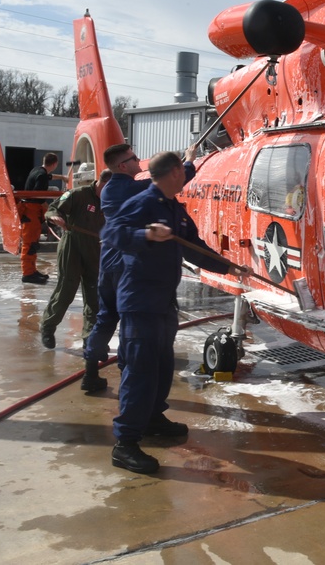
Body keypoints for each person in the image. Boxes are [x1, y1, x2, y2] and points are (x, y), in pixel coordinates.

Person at [102, 150, 249, 474]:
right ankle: (125, 444)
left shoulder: (174, 209)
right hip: (140, 303)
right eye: (182, 171)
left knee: (162, 367)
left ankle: (153, 418)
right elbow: (111, 234)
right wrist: (146, 235)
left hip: (164, 303)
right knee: (140, 372)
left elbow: (194, 247)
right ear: (172, 175)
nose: (187, 173)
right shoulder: (143, 203)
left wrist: (229, 267)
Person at [81, 143, 196, 371]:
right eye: (134, 158)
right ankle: (127, 367)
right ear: (123, 165)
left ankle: (91, 366)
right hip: (123, 264)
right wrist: (189, 161)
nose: (138, 160)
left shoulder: (109, 189)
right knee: (129, 320)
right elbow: (165, 184)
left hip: (107, 263)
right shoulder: (129, 189)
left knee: (106, 316)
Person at [39, 170, 112, 386]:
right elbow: (52, 209)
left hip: (95, 250)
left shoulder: (111, 200)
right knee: (66, 291)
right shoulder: (78, 194)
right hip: (72, 244)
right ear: (101, 183)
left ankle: (91, 342)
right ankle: (48, 326)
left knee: (95, 298)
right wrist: (54, 217)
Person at [18, 152, 61, 284]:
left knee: (33, 244)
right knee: (29, 244)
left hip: (30, 210)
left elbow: (46, 176)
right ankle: (27, 274)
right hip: (31, 211)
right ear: (54, 164)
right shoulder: (42, 176)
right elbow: (38, 196)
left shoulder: (37, 170)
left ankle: (32, 270)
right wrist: (49, 210)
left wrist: (63, 178)